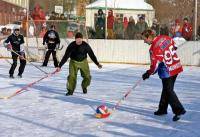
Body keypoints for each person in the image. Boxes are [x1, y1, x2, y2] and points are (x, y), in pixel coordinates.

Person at [141, 29, 186, 121]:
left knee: (168, 91)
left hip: (167, 71)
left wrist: (148, 73)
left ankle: (179, 110)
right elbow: (175, 46)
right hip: (176, 66)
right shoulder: (165, 37)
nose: (144, 41)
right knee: (167, 89)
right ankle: (162, 109)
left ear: (149, 37)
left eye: (144, 39)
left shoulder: (153, 48)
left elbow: (155, 67)